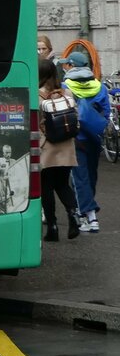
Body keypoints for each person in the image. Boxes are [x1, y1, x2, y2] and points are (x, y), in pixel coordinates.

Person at [63, 50, 110, 233]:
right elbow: (106, 113)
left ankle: (89, 215)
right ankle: (88, 211)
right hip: (94, 137)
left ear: (72, 66)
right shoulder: (100, 87)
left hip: (76, 138)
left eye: (67, 64)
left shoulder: (65, 86)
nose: (65, 66)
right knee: (91, 176)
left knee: (79, 177)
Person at [38, 56, 80, 241]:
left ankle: (53, 227)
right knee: (63, 184)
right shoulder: (66, 93)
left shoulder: (37, 95)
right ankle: (73, 216)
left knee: (46, 187)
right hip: (67, 147)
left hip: (47, 147)